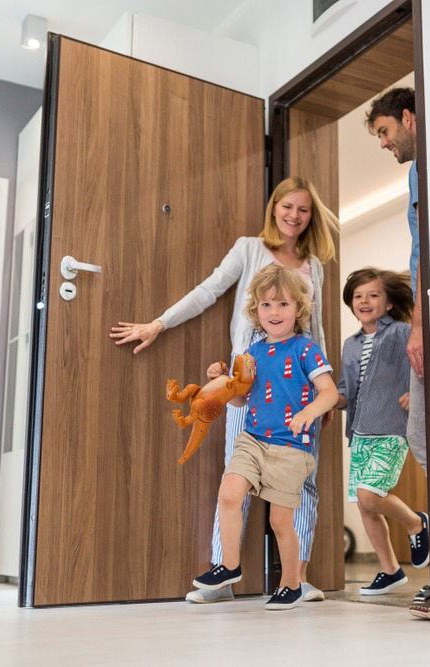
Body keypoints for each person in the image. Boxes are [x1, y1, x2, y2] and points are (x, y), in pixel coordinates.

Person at [109, 177, 339, 603]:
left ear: (311, 217)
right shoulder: (249, 248)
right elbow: (209, 291)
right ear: (274, 207)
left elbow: (318, 327)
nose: (294, 215)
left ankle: (297, 578)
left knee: (301, 484)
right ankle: (224, 576)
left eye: (303, 210)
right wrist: (159, 323)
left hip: (302, 389)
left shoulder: (315, 265)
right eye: (288, 206)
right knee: (236, 478)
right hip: (247, 383)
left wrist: (325, 392)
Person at [191, 264, 338, 610]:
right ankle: (228, 566)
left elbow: (329, 392)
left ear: (298, 309)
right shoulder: (252, 352)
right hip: (253, 439)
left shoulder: (305, 349)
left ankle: (290, 584)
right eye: (267, 305)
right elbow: (241, 398)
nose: (275, 312)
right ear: (255, 310)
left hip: (290, 447)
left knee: (279, 521)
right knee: (229, 493)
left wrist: (309, 412)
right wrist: (225, 380)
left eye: (283, 304)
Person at [365, 86, 430, 620]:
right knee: (427, 439)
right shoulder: (422, 168)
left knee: (428, 440)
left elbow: (425, 249)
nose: (386, 145)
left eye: (386, 133)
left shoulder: (427, 164)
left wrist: (417, 326)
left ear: (408, 118)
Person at [335, 268, 430, 596]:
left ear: (389, 303)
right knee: (366, 505)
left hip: (391, 428)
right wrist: (324, 400)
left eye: (373, 295)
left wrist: (413, 392)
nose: (364, 301)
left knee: (370, 495)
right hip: (359, 431)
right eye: (358, 295)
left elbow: (422, 363)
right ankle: (390, 570)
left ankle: (416, 523)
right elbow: (346, 390)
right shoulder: (350, 344)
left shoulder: (403, 332)